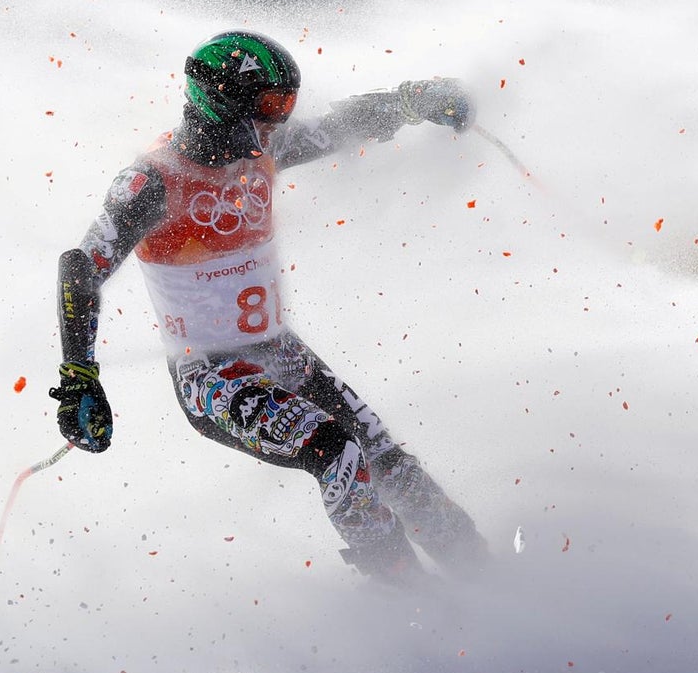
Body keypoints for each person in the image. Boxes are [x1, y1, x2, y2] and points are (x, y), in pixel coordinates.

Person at [48, 29, 488, 586]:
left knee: (387, 460)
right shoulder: (151, 181)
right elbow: (81, 265)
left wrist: (409, 102)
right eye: (270, 106)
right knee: (336, 452)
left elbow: (338, 125)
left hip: (280, 351)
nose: (278, 122)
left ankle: (483, 574)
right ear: (221, 101)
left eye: (285, 106)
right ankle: (409, 593)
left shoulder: (261, 150)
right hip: (211, 373)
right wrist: (80, 374)